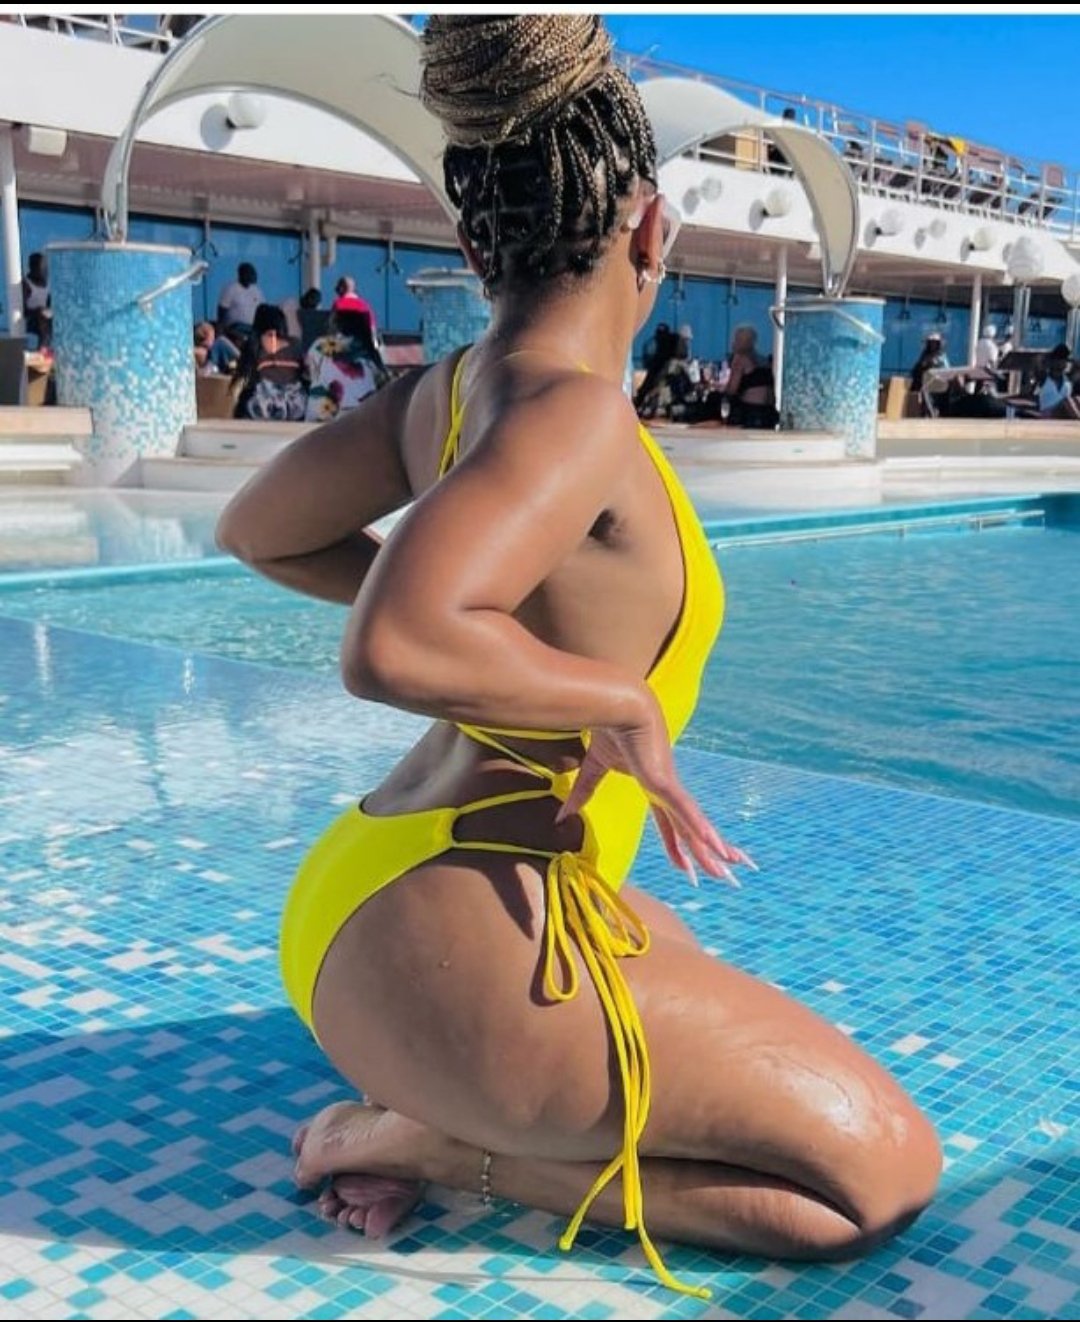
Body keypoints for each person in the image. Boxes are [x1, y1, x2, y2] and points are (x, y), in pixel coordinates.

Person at [216, 14, 940, 1301]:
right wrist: (612, 697)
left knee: (692, 972)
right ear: (652, 230)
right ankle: (425, 1138)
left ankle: (433, 1087)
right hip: (453, 947)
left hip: (376, 892)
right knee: (873, 1172)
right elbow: (396, 638)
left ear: (474, 246)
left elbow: (258, 530)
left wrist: (489, 642)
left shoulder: (453, 391)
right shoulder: (573, 409)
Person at [305, 308, 389, 421]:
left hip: (322, 417)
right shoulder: (372, 353)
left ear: (334, 323)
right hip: (362, 419)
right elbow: (383, 383)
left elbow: (309, 372)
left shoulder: (320, 345)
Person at [232, 303, 307, 420]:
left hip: (263, 405)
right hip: (294, 406)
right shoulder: (295, 344)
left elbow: (244, 377)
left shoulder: (254, 344)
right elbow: (304, 375)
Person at [723, 324, 778, 428]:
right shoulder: (764, 361)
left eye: (736, 339)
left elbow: (732, 390)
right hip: (769, 411)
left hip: (751, 411)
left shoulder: (740, 358)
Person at [217, 262, 265, 338]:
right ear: (241, 274)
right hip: (235, 329)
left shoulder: (256, 291)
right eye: (248, 273)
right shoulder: (230, 289)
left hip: (253, 328)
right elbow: (222, 310)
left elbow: (262, 309)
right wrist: (220, 328)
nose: (251, 276)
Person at [22, 252, 52, 350]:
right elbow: (22, 311)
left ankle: (50, 347)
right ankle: (41, 349)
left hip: (43, 319)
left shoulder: (46, 284)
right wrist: (37, 311)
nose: (45, 271)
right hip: (30, 321)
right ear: (33, 268)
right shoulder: (26, 285)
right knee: (42, 318)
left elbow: (48, 304)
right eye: (42, 268)